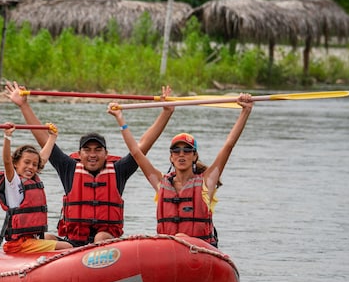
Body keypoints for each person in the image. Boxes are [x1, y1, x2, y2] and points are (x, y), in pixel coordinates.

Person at [4, 80, 175, 247]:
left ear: (106, 154)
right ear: (79, 154)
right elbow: (43, 139)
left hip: (105, 244)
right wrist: (23, 106)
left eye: (97, 150)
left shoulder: (118, 170)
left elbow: (142, 147)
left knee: (100, 237)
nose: (92, 154)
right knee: (45, 237)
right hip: (74, 241)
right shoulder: (69, 168)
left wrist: (166, 112)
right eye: (87, 150)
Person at [106, 93, 255, 247]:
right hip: (169, 253)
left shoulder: (206, 182)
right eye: (176, 151)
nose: (181, 154)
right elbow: (136, 153)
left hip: (199, 252)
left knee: (181, 236)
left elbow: (228, 146)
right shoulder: (161, 183)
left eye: (187, 150)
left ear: (195, 156)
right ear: (171, 157)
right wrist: (120, 119)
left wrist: (245, 112)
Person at [0, 123, 73, 254]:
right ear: (16, 163)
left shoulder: (31, 177)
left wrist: (52, 137)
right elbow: (7, 161)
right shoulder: (13, 182)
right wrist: (7, 137)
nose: (31, 167)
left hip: (30, 240)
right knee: (67, 247)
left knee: (52, 237)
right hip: (18, 245)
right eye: (26, 162)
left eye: (34, 165)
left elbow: (42, 158)